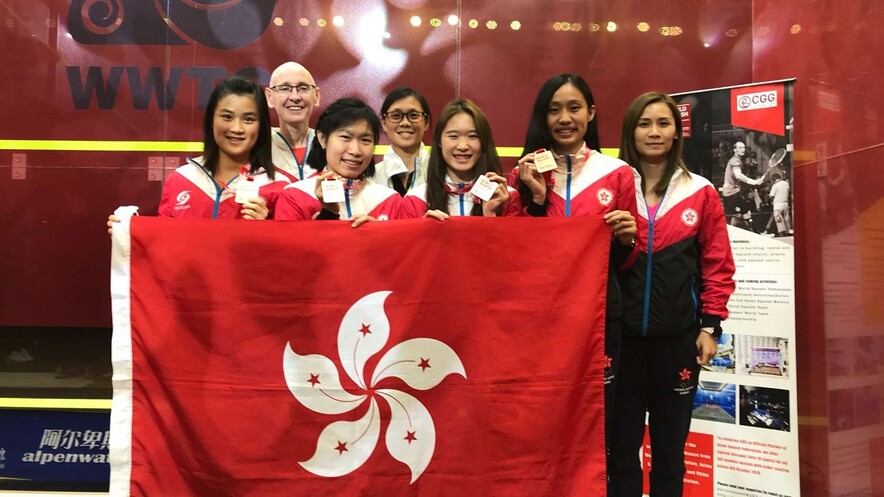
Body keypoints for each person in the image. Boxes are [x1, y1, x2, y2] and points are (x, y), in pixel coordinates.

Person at [508, 73, 637, 490]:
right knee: (542, 418)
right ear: (542, 117)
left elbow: (631, 257)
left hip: (600, 317)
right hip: (540, 320)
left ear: (591, 114)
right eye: (554, 109)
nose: (565, 118)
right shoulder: (523, 173)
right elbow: (516, 251)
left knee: (602, 421)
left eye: (574, 108)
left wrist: (626, 236)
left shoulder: (616, 173)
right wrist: (538, 200)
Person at [611, 92, 735, 497]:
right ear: (631, 130)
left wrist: (711, 327)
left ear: (677, 131)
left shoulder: (700, 192)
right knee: (620, 454)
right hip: (621, 345)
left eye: (663, 123)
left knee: (670, 456)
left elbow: (717, 264)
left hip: (677, 344)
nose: (654, 132)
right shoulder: (610, 187)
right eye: (644, 123)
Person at [107, 75, 284, 232]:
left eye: (248, 119)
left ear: (261, 126)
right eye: (227, 117)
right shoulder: (181, 179)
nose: (236, 128)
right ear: (211, 121)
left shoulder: (278, 186)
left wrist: (267, 229)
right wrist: (128, 234)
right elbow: (163, 245)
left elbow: (289, 256)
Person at [274, 98, 401, 226]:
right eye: (345, 137)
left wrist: (378, 235)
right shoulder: (294, 196)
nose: (355, 151)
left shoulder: (390, 200)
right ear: (322, 139)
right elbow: (288, 245)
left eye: (365, 140)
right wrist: (328, 213)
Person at [399, 99, 519, 219]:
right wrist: (424, 229)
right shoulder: (415, 199)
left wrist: (490, 217)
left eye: (473, 136)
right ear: (439, 141)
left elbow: (515, 238)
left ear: (483, 141)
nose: (462, 146)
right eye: (453, 136)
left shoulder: (507, 197)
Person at [266, 62, 321, 182]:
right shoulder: (258, 146)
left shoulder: (330, 145)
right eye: (285, 89)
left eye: (303, 88)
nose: (295, 97)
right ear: (269, 97)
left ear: (316, 96)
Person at [373, 87, 432, 196]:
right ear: (384, 123)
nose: (405, 123)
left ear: (426, 122)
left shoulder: (441, 175)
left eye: (413, 115)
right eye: (396, 116)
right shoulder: (371, 178)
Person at [721, 141, 763, 228]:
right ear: (734, 150)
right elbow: (738, 175)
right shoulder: (735, 161)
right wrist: (754, 182)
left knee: (738, 216)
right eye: (740, 148)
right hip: (732, 193)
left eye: (743, 147)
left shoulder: (736, 160)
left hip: (730, 193)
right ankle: (756, 234)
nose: (743, 149)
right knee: (746, 214)